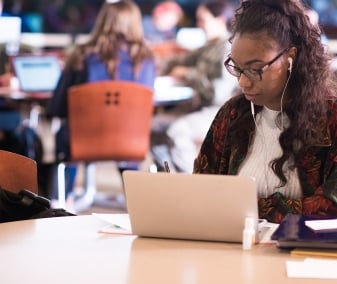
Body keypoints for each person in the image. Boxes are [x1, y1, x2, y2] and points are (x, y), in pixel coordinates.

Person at [193, 0, 337, 223]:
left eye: (256, 69)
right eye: (237, 68)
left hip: (308, 254)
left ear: (290, 58)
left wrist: (245, 207)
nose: (244, 82)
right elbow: (200, 191)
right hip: (236, 251)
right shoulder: (232, 115)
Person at [47, 0, 156, 205]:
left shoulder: (81, 55)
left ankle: (64, 198)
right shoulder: (146, 59)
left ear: (103, 21)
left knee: (65, 133)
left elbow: (57, 107)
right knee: (128, 129)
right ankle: (135, 199)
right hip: (131, 143)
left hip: (83, 141)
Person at [155, 0, 237, 173]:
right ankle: (167, 181)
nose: (199, 25)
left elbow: (217, 94)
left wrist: (187, 73)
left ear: (220, 19)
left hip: (217, 111)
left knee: (177, 131)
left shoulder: (228, 49)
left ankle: (191, 184)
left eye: (203, 20)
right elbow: (179, 61)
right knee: (153, 127)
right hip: (197, 108)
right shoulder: (208, 46)